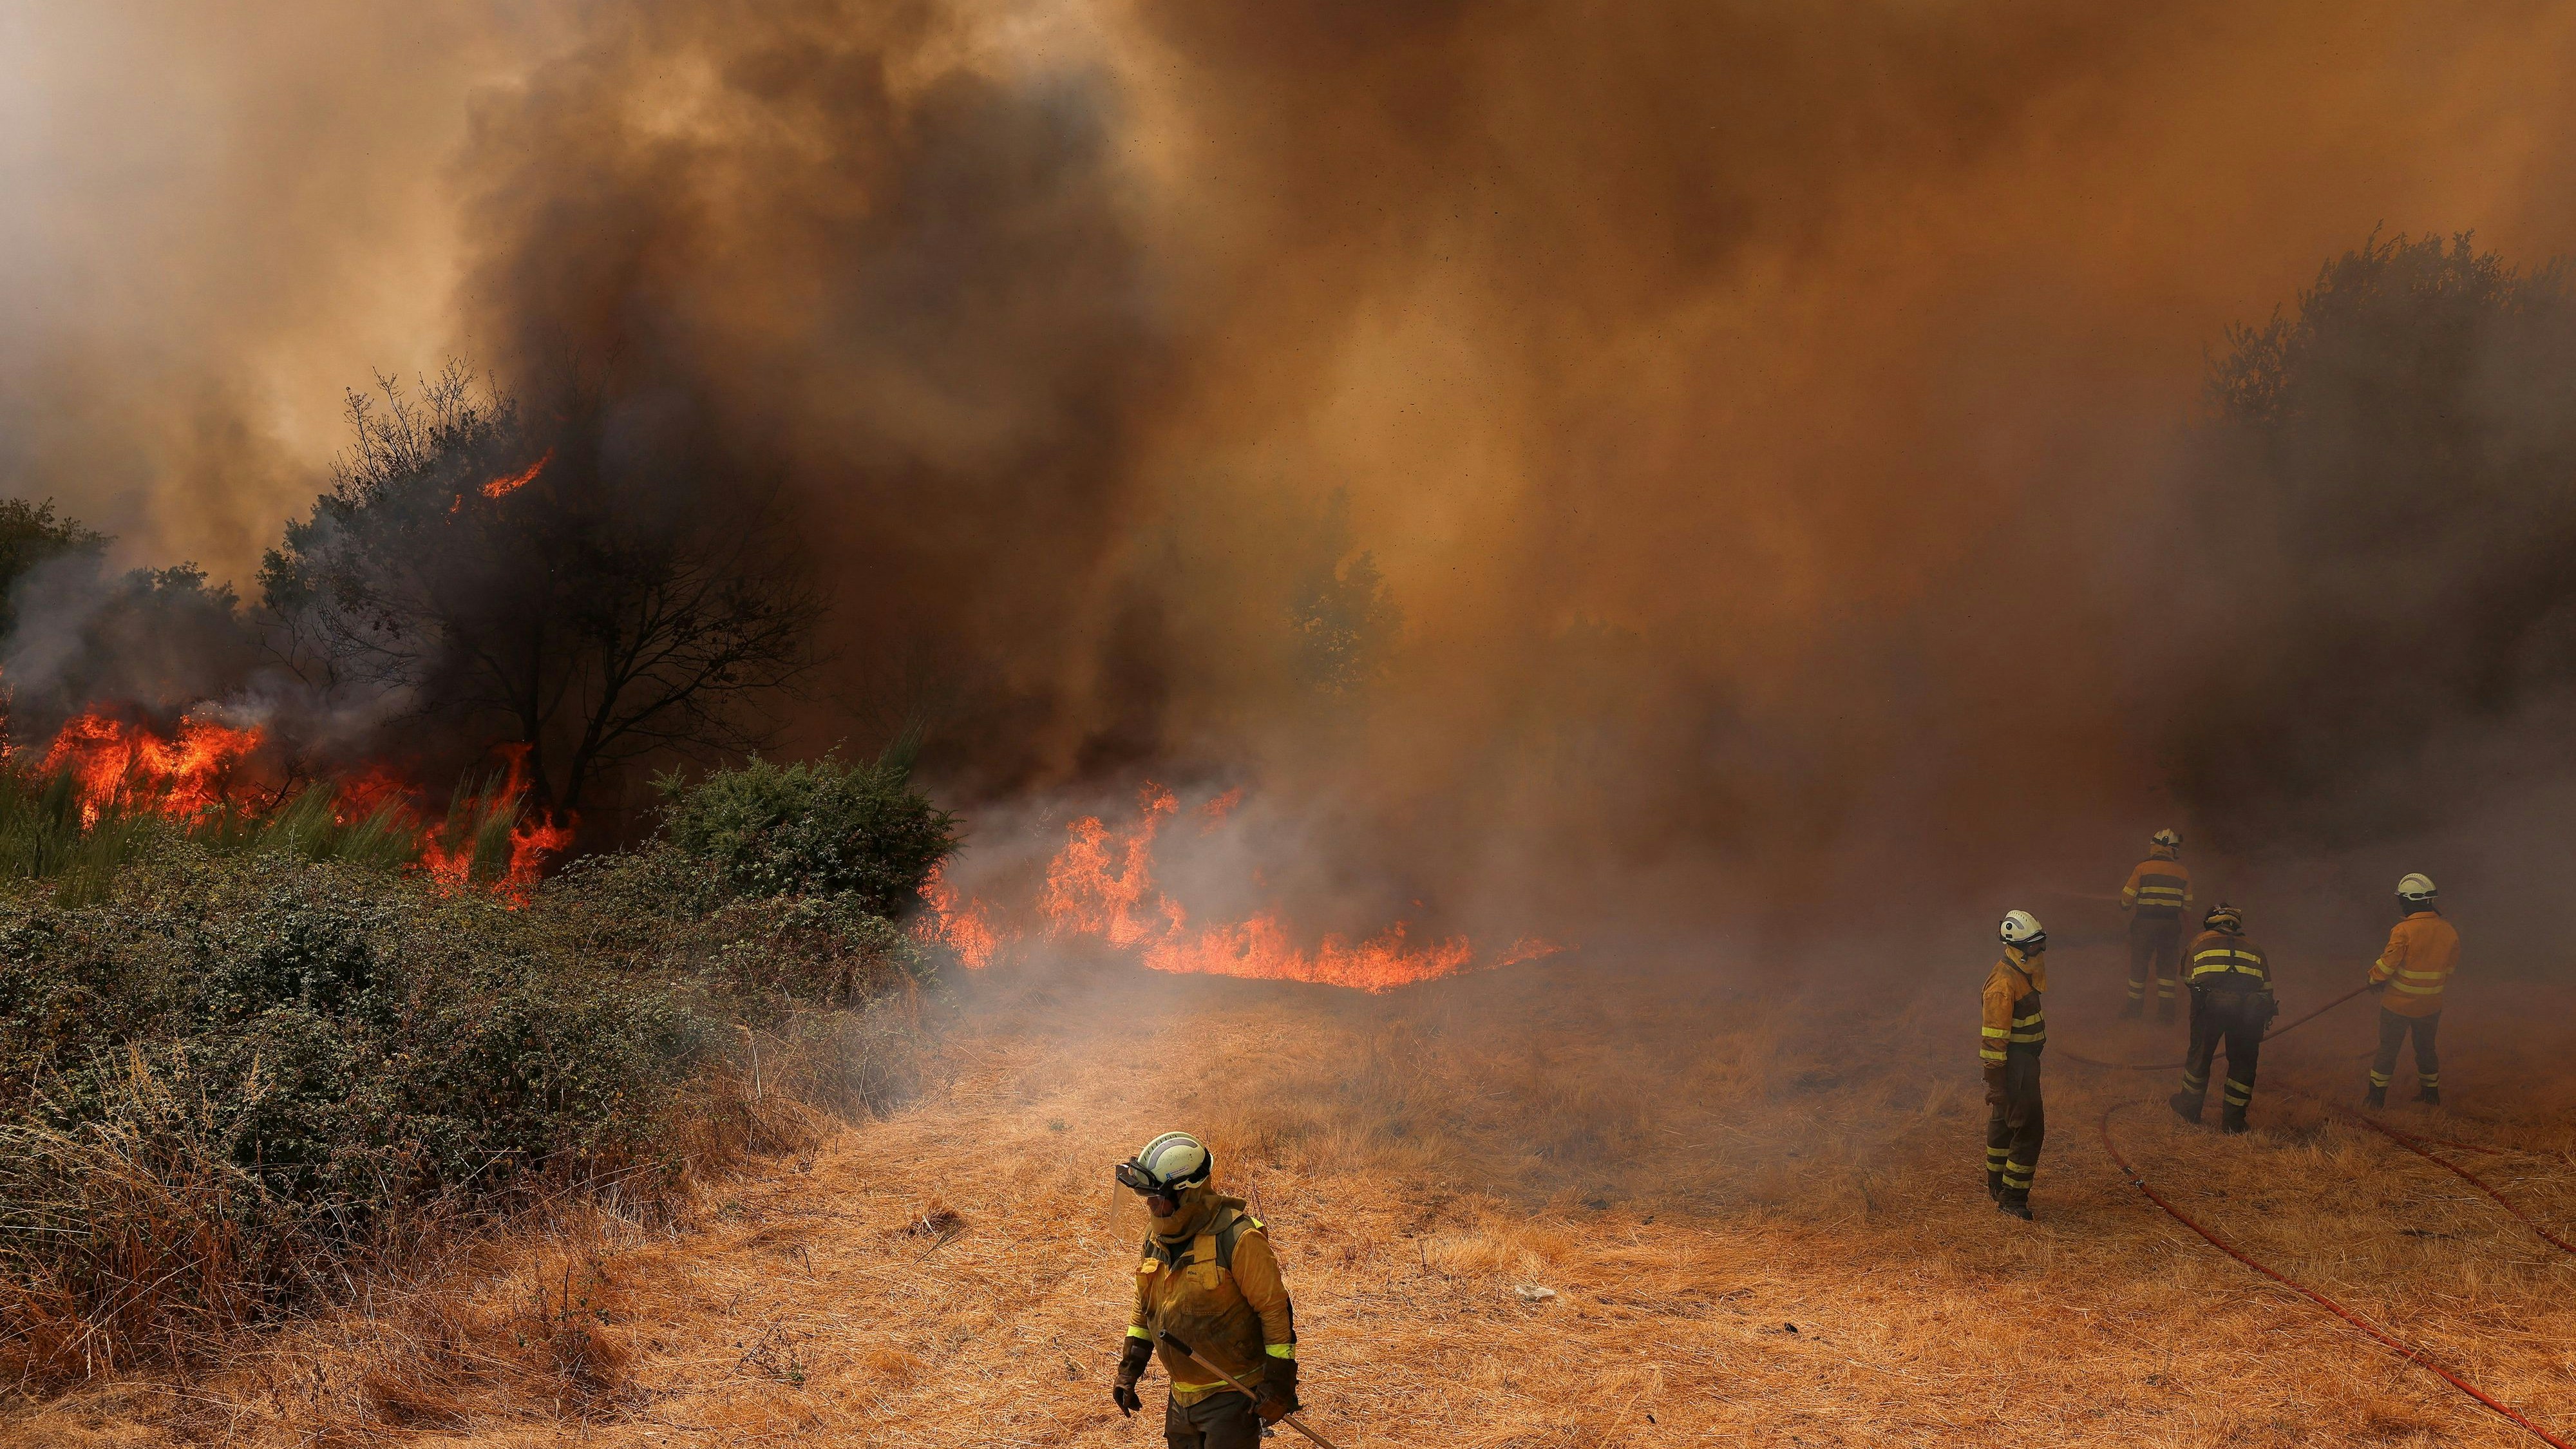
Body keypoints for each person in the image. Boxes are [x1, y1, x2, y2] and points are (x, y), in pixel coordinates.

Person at [1110, 1132, 1300, 1448]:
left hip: (1232, 1395)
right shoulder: (1156, 1238)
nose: (1150, 1206)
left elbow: (1274, 1311)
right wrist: (1129, 1370)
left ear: (1186, 1194)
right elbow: (1145, 1308)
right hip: (1181, 1396)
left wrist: (1279, 1383)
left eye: (1156, 1198)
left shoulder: (1237, 1238)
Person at [2168, 903, 2276, 1133]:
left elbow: (2187, 978)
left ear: (2211, 920)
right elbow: (2267, 989)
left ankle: (2189, 1109)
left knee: (2200, 1057)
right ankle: (2234, 1123)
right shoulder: (2254, 948)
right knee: (2243, 1063)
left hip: (2209, 1009)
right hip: (2247, 1014)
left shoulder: (2199, 942)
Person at [2365, 873, 2460, 1108]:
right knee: (2426, 1050)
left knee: (2388, 1050)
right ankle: (2431, 1096)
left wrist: (2374, 979)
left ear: (2409, 901)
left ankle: (2375, 1100)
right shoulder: (2449, 931)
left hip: (2397, 1005)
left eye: (2402, 901)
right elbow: (2449, 969)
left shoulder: (2403, 930)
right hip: (2431, 1006)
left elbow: (2387, 966)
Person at [1982, 911, 2049, 1220]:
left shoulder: (2019, 974)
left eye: (2041, 943)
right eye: (2034, 945)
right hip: (2014, 1065)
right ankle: (2013, 1200)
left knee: (2004, 1123)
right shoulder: (2003, 983)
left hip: (2023, 1062)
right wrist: (1997, 1083)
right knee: (2028, 1128)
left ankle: (1997, 1185)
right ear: (2017, 947)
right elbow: (1994, 1041)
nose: (2040, 950)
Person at [2118, 829, 2193, 1021]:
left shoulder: (2142, 868)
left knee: (2139, 966)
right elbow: (2187, 906)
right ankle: (2166, 1015)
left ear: (2156, 846)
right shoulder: (2183, 872)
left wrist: (2127, 903)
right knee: (2167, 969)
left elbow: (2126, 901)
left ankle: (2134, 1012)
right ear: (2171, 849)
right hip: (2171, 926)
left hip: (2145, 925)